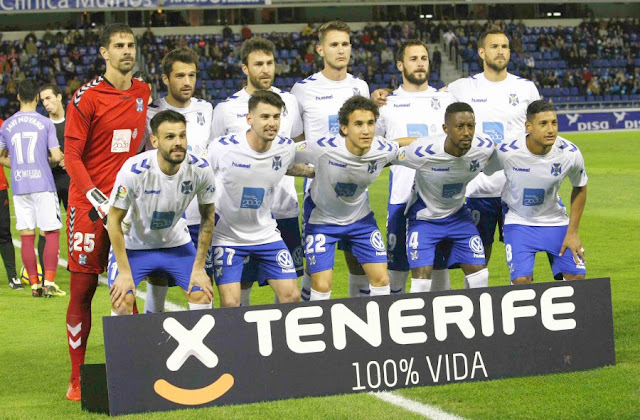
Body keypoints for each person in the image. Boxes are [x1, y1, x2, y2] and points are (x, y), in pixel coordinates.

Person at [63, 23, 150, 401]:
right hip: (88, 207)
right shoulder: (85, 98)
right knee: (82, 291)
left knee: (126, 288)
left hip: (126, 207)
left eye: (130, 45)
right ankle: (77, 377)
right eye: (119, 45)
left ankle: (130, 369)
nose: (126, 51)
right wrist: (97, 197)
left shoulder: (143, 92)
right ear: (104, 53)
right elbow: (71, 157)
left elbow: (140, 143)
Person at [439, 29, 540, 291]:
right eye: (494, 46)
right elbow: (426, 101)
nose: (501, 51)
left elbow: (538, 132)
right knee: (476, 263)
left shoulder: (526, 88)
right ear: (482, 52)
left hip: (516, 192)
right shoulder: (463, 87)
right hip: (478, 190)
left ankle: (521, 315)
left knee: (521, 266)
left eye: (505, 46)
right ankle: (476, 317)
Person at [212, 37, 304, 306]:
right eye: (258, 64)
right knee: (242, 286)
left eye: (270, 63)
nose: (265, 69)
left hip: (283, 208)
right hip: (237, 217)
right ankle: (246, 342)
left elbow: (294, 147)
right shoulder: (226, 109)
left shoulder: (288, 102)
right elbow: (216, 159)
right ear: (245, 68)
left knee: (288, 288)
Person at [295, 96, 413, 300]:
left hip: (360, 220)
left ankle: (376, 325)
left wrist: (442, 143)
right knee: (322, 285)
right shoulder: (323, 147)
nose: (366, 130)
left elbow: (401, 143)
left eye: (370, 123)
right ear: (344, 128)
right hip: (322, 219)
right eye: (358, 124)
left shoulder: (381, 148)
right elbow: (282, 156)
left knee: (382, 280)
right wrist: (307, 171)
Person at [291, 20, 371, 300]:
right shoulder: (301, 90)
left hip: (356, 190)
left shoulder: (360, 86)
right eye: (334, 44)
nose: (341, 50)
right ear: (320, 49)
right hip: (319, 193)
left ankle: (358, 317)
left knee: (358, 261)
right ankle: (307, 313)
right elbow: (296, 142)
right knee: (316, 271)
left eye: (345, 44)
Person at [107, 110, 216, 314]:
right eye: (170, 137)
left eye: (182, 135)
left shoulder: (200, 169)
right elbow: (113, 219)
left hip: (175, 244)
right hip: (134, 245)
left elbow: (208, 217)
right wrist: (123, 272)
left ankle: (198, 347)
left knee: (202, 293)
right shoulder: (133, 171)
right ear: (154, 141)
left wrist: (199, 268)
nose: (178, 142)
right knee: (122, 300)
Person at [134, 47, 215, 314]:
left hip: (198, 215)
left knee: (202, 286)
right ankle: (153, 337)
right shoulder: (150, 113)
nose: (188, 82)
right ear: (166, 78)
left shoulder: (207, 109)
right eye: (180, 75)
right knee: (157, 281)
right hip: (162, 216)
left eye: (192, 75)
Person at [392, 102, 494, 292]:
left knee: (481, 276)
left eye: (470, 126)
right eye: (459, 127)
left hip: (458, 217)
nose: (466, 132)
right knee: (421, 283)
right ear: (445, 129)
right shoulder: (423, 152)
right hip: (424, 219)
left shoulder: (484, 147)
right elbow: (389, 156)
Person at [376, 39, 452, 294]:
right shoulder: (387, 105)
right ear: (400, 64)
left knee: (440, 272)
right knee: (397, 269)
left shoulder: (446, 100)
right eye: (413, 59)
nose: (420, 64)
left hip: (439, 201)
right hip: (400, 198)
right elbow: (375, 150)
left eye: (424, 58)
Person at [484, 100, 587, 284]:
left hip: (554, 219)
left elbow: (580, 186)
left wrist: (573, 232)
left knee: (577, 277)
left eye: (554, 123)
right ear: (528, 126)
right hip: (519, 220)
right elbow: (485, 169)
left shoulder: (569, 153)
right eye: (543, 124)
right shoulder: (507, 152)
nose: (551, 129)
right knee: (521, 281)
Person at [0, 79, 64, 297]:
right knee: (51, 232)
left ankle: (35, 286)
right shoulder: (46, 123)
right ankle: (49, 282)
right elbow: (55, 156)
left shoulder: (6, 125)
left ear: (17, 97)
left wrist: (17, 164)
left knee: (26, 234)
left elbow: (1, 157)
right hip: (43, 184)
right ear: (37, 97)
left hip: (20, 185)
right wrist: (48, 160)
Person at [38, 84, 70, 273]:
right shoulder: (43, 125)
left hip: (72, 181)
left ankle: (78, 265)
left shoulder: (73, 121)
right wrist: (55, 159)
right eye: (43, 100)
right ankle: (44, 271)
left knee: (77, 226)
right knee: (46, 226)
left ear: (59, 97)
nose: (46, 103)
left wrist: (71, 162)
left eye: (49, 98)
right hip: (49, 182)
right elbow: (39, 155)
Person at [0, 117, 19, 289]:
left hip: (0, 188)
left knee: (4, 232)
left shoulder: (2, 125)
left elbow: (7, 156)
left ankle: (13, 277)